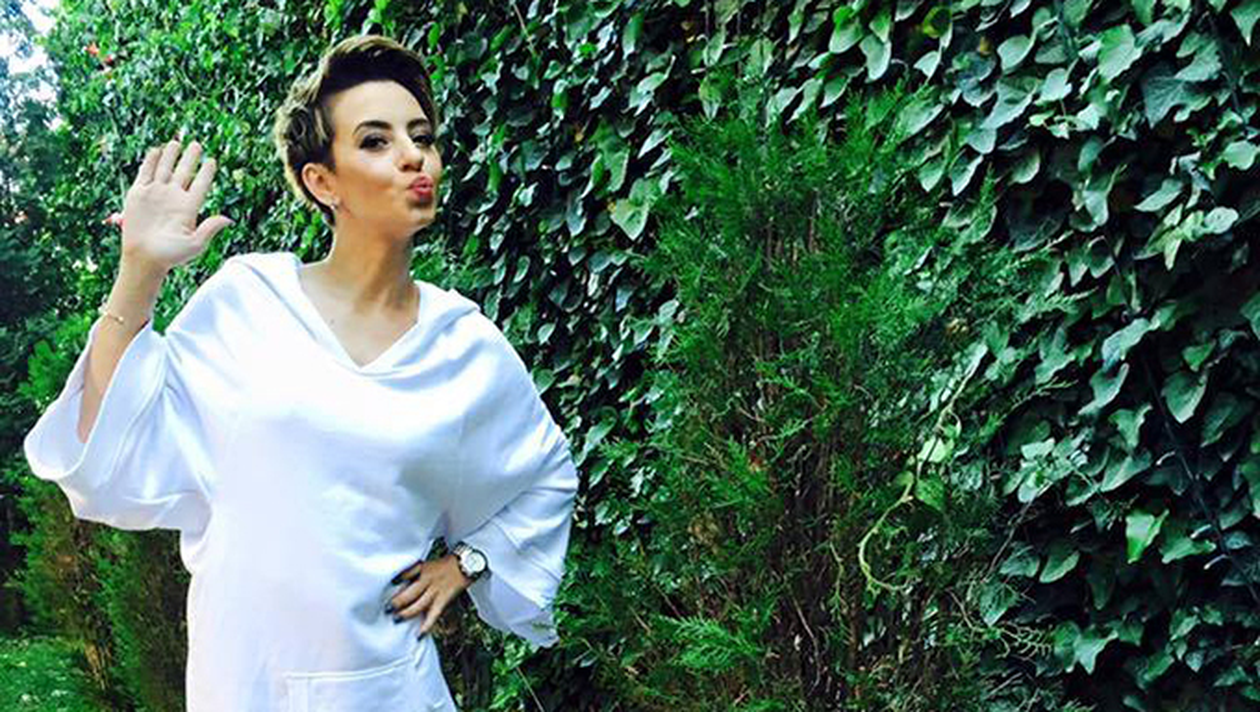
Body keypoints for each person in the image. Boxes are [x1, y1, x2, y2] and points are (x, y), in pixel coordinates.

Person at [22, 34, 579, 712]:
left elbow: (546, 476)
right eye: (375, 141)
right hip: (245, 685)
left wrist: (467, 563)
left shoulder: (465, 344)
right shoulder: (248, 302)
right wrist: (139, 271)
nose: (413, 156)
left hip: (392, 689)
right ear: (322, 181)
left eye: (422, 137)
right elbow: (114, 441)